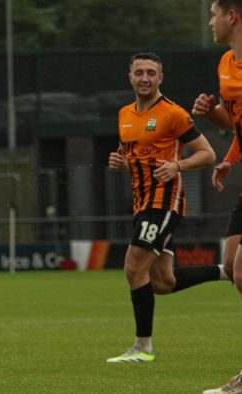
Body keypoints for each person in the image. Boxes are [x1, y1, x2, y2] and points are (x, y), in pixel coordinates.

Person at [106, 52, 219, 364]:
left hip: (164, 202)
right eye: (139, 72)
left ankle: (143, 348)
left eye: (151, 73)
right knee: (162, 282)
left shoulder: (173, 114)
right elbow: (133, 157)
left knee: (132, 267)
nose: (145, 78)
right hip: (141, 202)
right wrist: (121, 163)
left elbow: (207, 154)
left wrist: (177, 166)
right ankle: (226, 272)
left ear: (160, 78)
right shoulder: (124, 114)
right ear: (130, 77)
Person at [194, 1, 242, 392]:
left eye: (214, 13)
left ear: (233, 16)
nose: (210, 21)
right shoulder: (226, 64)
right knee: (231, 263)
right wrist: (214, 120)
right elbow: (238, 126)